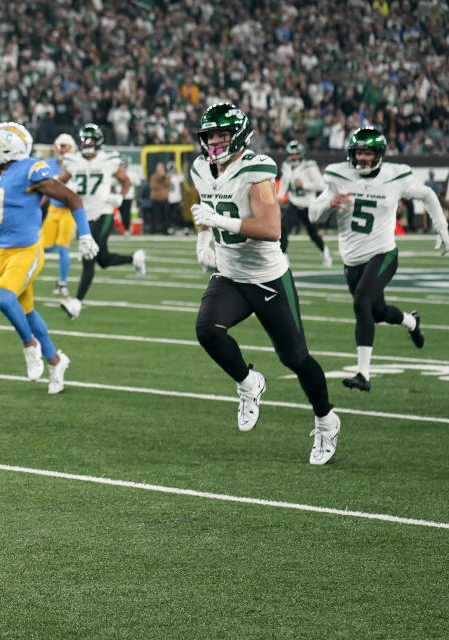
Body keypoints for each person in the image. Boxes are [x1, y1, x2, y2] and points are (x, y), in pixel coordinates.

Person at [189, 103, 341, 465]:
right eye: (210, 135)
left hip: (266, 277)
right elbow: (205, 208)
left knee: (295, 358)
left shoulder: (256, 169)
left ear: (239, 135)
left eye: (222, 134)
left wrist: (219, 223)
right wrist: (203, 237)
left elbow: (272, 230)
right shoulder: (199, 167)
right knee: (207, 330)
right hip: (229, 273)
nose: (215, 141)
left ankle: (325, 420)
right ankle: (248, 382)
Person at [0, 93, 99, 394]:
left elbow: (72, 197)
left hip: (27, 250)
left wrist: (84, 234)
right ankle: (56, 361)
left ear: (12, 149)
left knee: (4, 298)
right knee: (28, 312)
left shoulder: (31, 171)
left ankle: (29, 345)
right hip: (1, 252)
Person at [309, 127, 449, 391]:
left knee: (362, 301)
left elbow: (428, 195)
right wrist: (329, 203)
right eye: (358, 152)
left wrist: (441, 226)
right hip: (352, 261)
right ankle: (411, 321)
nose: (362, 158)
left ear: (379, 154)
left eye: (368, 152)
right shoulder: (338, 175)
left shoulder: (395, 175)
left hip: (384, 252)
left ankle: (363, 373)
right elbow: (314, 214)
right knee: (376, 313)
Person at [59, 123, 144, 320]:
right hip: (83, 215)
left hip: (104, 211)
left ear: (98, 142)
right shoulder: (73, 161)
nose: (86, 144)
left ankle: (76, 303)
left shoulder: (108, 159)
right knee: (103, 260)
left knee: (89, 256)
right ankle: (135, 258)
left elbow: (126, 181)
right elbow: (58, 182)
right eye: (84, 140)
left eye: (90, 140)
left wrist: (121, 198)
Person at [276, 140, 332, 266]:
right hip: (294, 204)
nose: (293, 157)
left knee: (313, 234)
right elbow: (284, 182)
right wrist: (280, 197)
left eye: (295, 154)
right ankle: (283, 257)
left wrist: (304, 185)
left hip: (308, 205)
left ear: (301, 154)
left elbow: (321, 185)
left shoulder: (310, 166)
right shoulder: (286, 166)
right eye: (291, 154)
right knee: (283, 228)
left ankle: (324, 250)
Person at [39, 133, 77, 297]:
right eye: (60, 147)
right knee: (43, 248)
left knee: (63, 247)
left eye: (66, 147)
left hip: (68, 211)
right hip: (53, 210)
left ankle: (63, 283)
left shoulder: (76, 165)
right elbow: (44, 187)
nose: (62, 150)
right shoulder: (49, 164)